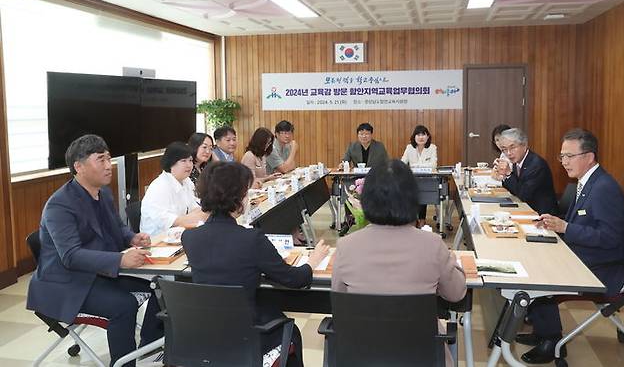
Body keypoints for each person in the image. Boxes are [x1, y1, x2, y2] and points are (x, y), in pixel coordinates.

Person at [26, 135, 163, 367]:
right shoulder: (60, 205)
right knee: (124, 305)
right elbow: (70, 256)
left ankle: (149, 350)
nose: (109, 165)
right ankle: (123, 364)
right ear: (78, 167)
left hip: (97, 273)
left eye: (109, 158)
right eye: (101, 160)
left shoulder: (103, 193)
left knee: (161, 286)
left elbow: (117, 228)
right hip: (66, 284)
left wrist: (132, 237)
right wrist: (120, 260)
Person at [182, 162, 330, 367]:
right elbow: (294, 279)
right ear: (238, 198)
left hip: (206, 334)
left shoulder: (189, 237)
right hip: (247, 336)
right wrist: (313, 261)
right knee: (291, 329)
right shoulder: (251, 239)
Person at [332, 159, 466, 367]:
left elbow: (340, 297)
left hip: (364, 353)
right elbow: (457, 293)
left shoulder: (346, 245)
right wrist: (453, 261)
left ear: (366, 199)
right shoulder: (432, 244)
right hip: (422, 355)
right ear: (412, 199)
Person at [516, 128, 624, 364]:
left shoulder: (603, 188)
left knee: (541, 275)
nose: (564, 162)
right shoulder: (587, 182)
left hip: (603, 268)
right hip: (585, 254)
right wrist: (554, 224)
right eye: (562, 157)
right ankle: (541, 331)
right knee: (535, 257)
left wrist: (565, 228)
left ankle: (552, 341)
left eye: (570, 156)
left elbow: (610, 238)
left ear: (589, 157)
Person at [140, 141, 209, 237]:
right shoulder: (159, 187)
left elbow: (196, 208)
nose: (189, 165)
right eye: (183, 161)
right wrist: (204, 215)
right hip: (157, 241)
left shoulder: (186, 181)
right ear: (171, 163)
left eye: (190, 160)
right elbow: (173, 222)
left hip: (177, 234)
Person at [492, 128, 558, 215]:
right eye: (504, 149)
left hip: (541, 215)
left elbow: (523, 194)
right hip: (526, 208)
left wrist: (508, 174)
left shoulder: (536, 164)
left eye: (512, 147)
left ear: (524, 145)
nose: (508, 153)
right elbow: (514, 189)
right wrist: (503, 175)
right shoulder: (519, 160)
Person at [401, 125, 438, 222]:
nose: (421, 137)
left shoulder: (432, 147)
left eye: (423, 135)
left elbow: (433, 165)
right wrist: (422, 166)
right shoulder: (409, 148)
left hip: (427, 179)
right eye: (418, 135)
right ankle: (414, 219)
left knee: (422, 191)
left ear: (428, 136)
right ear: (414, 137)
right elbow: (403, 163)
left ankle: (421, 220)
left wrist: (414, 166)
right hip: (412, 180)